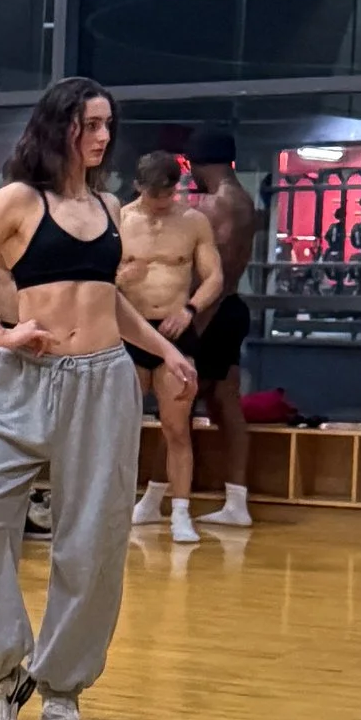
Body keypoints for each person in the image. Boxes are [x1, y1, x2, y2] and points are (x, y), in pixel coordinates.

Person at [0, 78, 195, 720]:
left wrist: (166, 349)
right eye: (89, 124)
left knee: (92, 538)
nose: (102, 136)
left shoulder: (108, 206)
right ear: (59, 127)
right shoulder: (19, 200)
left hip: (102, 381)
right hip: (22, 378)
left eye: (107, 124)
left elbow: (107, 299)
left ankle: (63, 685)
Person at [118, 149, 225, 545]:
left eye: (168, 194)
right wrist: (120, 277)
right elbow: (93, 280)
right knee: (121, 430)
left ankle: (180, 511)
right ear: (138, 187)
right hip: (129, 330)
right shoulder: (119, 219)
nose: (161, 202)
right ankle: (116, 506)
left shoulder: (193, 221)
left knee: (177, 426)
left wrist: (190, 308)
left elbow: (214, 277)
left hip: (175, 330)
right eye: (154, 195)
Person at [185, 127, 261, 527]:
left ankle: (162, 497)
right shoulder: (242, 198)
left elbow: (222, 272)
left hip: (214, 311)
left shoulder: (221, 203)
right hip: (228, 308)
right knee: (224, 403)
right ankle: (236, 501)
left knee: (178, 403)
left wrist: (194, 323)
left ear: (199, 164)